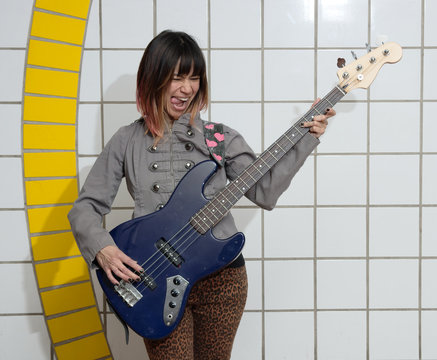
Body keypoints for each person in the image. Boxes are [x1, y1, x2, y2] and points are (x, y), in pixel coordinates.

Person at [68, 30, 334, 360]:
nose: (187, 88)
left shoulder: (219, 137)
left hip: (222, 281)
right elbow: (86, 207)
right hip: (156, 280)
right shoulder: (126, 140)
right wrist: (103, 249)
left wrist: (306, 137)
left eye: (194, 78)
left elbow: (264, 191)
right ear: (153, 78)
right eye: (177, 77)